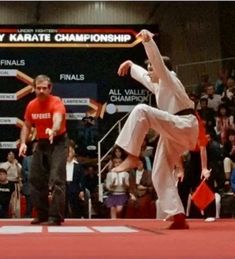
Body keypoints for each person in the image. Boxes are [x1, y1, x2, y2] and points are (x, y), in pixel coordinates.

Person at [112, 29, 210, 229]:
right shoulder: (158, 85)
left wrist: (148, 41)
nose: (149, 71)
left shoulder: (169, 78)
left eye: (151, 68)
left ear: (162, 69)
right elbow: (144, 77)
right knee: (159, 172)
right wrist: (131, 65)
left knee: (142, 110)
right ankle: (177, 214)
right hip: (174, 130)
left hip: (184, 124)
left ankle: (132, 154)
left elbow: (157, 63)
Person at [18, 74, 68, 226]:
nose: (41, 91)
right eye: (38, 88)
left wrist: (53, 130)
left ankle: (56, 216)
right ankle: (42, 214)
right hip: (41, 142)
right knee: (35, 178)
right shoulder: (31, 105)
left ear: (50, 88)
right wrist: (23, 143)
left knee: (57, 179)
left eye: (44, 88)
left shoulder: (56, 102)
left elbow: (58, 119)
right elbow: (26, 125)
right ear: (34, 89)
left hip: (58, 141)